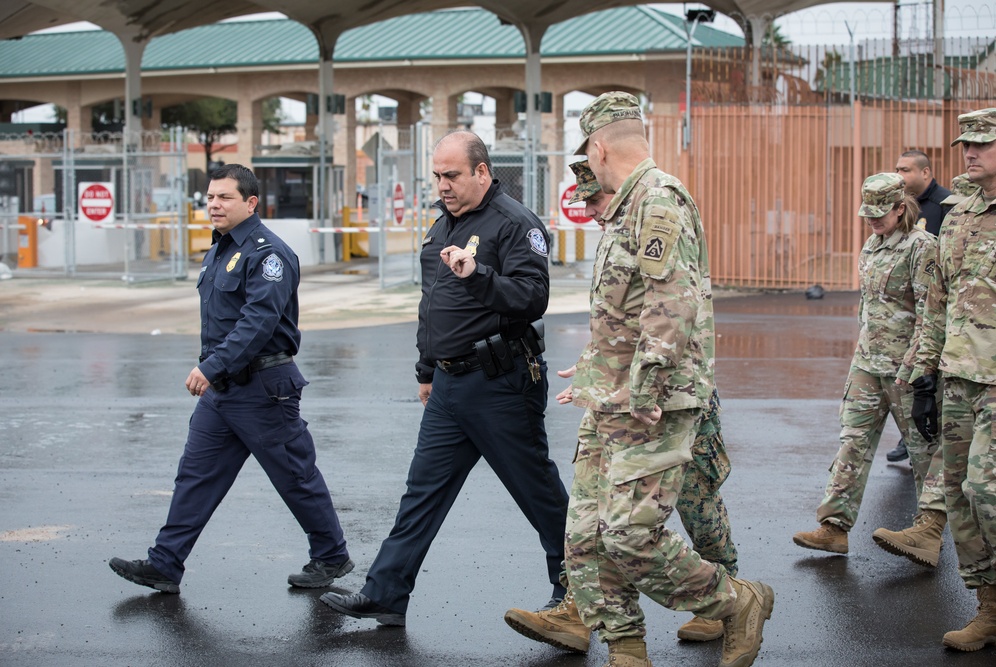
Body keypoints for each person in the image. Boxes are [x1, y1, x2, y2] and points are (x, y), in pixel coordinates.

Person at [499, 92, 773, 667]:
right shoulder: (627, 208)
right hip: (615, 397)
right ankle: (626, 647)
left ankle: (735, 600)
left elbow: (672, 305)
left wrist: (643, 390)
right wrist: (598, 371)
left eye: (588, 156)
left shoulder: (658, 200)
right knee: (587, 536)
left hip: (654, 400)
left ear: (599, 147)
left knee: (630, 535)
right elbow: (628, 311)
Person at [319, 131, 569, 626]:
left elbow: (532, 298)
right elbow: (432, 305)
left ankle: (578, 590)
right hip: (450, 386)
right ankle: (386, 592)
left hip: (500, 383)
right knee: (422, 491)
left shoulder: (515, 224)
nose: (443, 185)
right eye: (437, 176)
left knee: (537, 492)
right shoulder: (441, 227)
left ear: (482, 172)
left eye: (451, 175)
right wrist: (427, 368)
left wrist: (477, 274)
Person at [109, 164, 352, 593]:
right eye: (209, 198)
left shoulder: (268, 254)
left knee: (294, 476)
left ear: (251, 202)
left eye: (224, 197)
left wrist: (210, 366)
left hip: (263, 387)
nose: (214, 205)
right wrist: (216, 368)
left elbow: (258, 321)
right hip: (224, 390)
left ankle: (331, 556)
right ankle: (165, 564)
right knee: (196, 475)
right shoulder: (221, 249)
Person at [792, 173, 946, 566]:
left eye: (881, 213)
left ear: (900, 207)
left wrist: (920, 368)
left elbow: (931, 314)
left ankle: (929, 531)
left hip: (906, 368)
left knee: (924, 449)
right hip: (867, 363)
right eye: (868, 214)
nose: (873, 221)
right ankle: (834, 528)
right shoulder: (872, 245)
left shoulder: (921, 247)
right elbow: (870, 309)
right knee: (852, 441)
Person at [910, 108, 996, 652]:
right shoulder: (959, 212)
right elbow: (937, 300)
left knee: (987, 491)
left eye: (983, 144)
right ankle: (989, 607)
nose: (969, 153)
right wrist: (925, 376)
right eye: (966, 144)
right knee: (959, 499)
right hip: (959, 376)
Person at [885, 150, 952, 463]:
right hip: (907, 307)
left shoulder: (945, 205)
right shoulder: (899, 207)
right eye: (897, 169)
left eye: (906, 169)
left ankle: (933, 439)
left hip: (937, 305)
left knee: (929, 378)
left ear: (926, 173)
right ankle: (907, 438)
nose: (899, 174)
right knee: (907, 376)